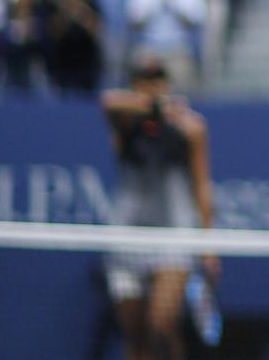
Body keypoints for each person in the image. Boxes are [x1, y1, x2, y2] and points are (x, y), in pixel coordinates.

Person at [101, 54, 217, 360]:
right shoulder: (125, 119)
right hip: (127, 234)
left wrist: (208, 244)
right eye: (144, 80)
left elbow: (202, 186)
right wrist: (154, 107)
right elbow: (109, 102)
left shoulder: (191, 127)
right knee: (135, 335)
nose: (152, 86)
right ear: (135, 85)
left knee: (161, 326)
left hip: (174, 235)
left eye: (157, 80)